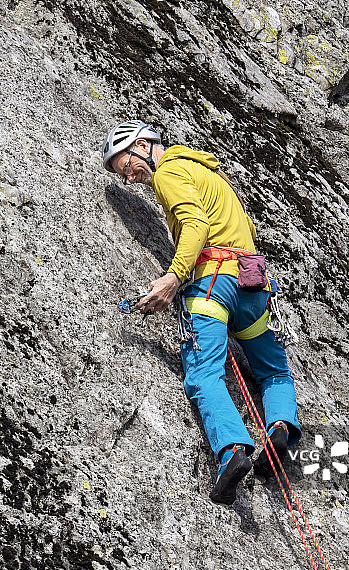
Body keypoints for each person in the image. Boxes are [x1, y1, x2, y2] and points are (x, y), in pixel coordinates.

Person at [102, 120, 302, 505]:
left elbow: (196, 223)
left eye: (125, 165)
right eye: (121, 174)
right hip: (253, 286)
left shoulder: (170, 171)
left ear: (143, 144)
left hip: (214, 282)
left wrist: (174, 277)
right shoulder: (210, 173)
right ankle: (280, 428)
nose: (129, 177)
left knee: (204, 371)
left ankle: (232, 452)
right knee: (274, 370)